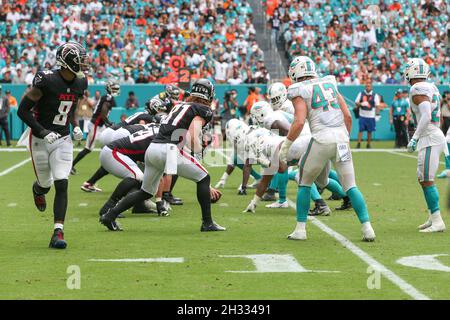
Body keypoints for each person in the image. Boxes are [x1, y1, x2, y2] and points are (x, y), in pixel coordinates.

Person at [99, 79, 226, 232]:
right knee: (204, 177)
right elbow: (192, 135)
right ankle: (207, 223)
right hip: (168, 149)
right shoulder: (202, 110)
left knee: (146, 191)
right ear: (209, 95)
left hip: (153, 148)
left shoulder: (180, 105)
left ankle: (110, 215)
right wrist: (198, 151)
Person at [279, 55, 376, 241]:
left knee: (304, 182)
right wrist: (345, 139)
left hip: (321, 139)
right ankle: (367, 227)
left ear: (294, 72)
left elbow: (299, 122)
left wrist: (286, 145)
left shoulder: (299, 89)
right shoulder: (330, 84)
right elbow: (347, 116)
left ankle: (300, 229)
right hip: (341, 139)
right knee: (351, 186)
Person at [17, 41, 88, 249]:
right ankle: (38, 190)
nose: (84, 65)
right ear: (68, 61)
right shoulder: (46, 80)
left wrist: (75, 125)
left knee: (62, 181)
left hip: (63, 139)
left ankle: (58, 232)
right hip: (40, 138)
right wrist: (42, 131)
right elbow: (23, 111)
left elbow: (71, 108)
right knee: (46, 185)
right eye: (80, 61)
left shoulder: (80, 83)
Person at [405, 58, 447, 233]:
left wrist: (414, 137)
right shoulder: (433, 87)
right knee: (423, 178)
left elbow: (426, 115)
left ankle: (438, 221)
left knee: (427, 180)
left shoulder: (418, 88)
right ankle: (432, 216)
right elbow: (439, 118)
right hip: (432, 134)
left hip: (429, 136)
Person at [71, 79, 120, 176]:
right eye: (113, 88)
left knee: (110, 144)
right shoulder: (108, 98)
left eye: (116, 89)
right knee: (88, 149)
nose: (115, 90)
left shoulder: (108, 97)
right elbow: (103, 113)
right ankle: (71, 165)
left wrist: (107, 124)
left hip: (100, 125)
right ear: (109, 88)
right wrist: (108, 123)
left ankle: (110, 166)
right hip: (96, 125)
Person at [354, 82, 382, 148]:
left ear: (371, 87)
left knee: (370, 131)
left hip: (371, 115)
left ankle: (368, 144)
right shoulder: (361, 93)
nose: (368, 87)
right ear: (365, 87)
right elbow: (356, 102)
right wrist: (361, 104)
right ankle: (358, 143)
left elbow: (377, 105)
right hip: (362, 115)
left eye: (369, 86)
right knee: (360, 130)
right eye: (366, 86)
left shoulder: (375, 95)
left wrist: (377, 114)